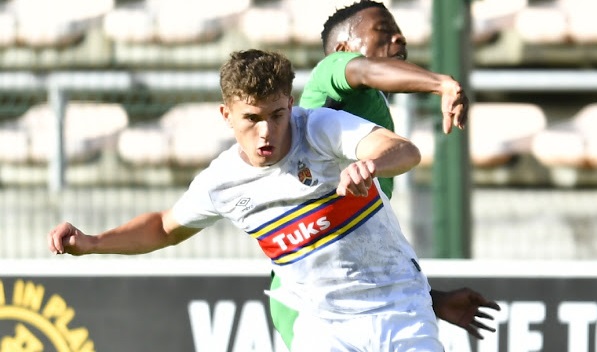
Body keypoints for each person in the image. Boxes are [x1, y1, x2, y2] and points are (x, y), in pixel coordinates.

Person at [49, 49, 449, 351]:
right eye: (252, 119)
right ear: (226, 115)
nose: (267, 132)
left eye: (276, 115)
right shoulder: (223, 181)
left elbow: (404, 150)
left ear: (290, 103)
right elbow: (164, 227)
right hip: (324, 326)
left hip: (399, 305)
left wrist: (372, 166)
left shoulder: (319, 128)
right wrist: (93, 242)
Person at [269, 0, 500, 349]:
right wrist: (441, 83)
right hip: (311, 302)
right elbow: (364, 71)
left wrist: (432, 299)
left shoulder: (372, 128)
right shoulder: (331, 72)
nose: (399, 38)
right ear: (345, 49)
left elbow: (357, 245)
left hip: (359, 298)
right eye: (383, 32)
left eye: (398, 31)